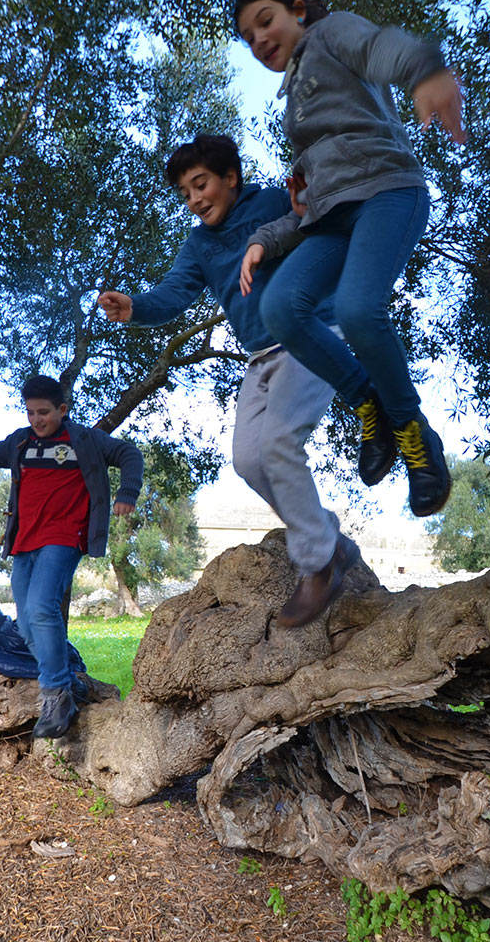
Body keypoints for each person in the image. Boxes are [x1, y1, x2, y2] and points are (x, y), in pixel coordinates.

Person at [98, 134, 359, 627]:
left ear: (229, 179)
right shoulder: (199, 244)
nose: (195, 199)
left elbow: (322, 222)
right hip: (261, 355)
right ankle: (330, 541)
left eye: (201, 185)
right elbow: (174, 292)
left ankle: (319, 566)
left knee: (280, 443)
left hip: (311, 334)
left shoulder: (272, 203)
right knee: (247, 460)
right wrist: (135, 308)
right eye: (185, 194)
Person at [232, 0, 465, 518]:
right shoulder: (293, 100)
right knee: (280, 308)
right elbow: (308, 204)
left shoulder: (331, 34)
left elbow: (380, 45)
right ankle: (369, 405)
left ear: (299, 11)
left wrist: (424, 69)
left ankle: (412, 433)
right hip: (333, 219)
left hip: (388, 191)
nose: (260, 39)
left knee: (360, 312)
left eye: (266, 21)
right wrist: (265, 239)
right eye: (249, 37)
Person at [0, 374, 142, 739]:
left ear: (62, 409)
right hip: (24, 542)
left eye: (43, 412)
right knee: (27, 624)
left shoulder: (84, 439)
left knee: (43, 608)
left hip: (64, 537)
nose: (37, 420)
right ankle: (69, 687)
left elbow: (128, 454)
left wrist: (128, 491)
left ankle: (55, 693)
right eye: (30, 413)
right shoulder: (21, 442)